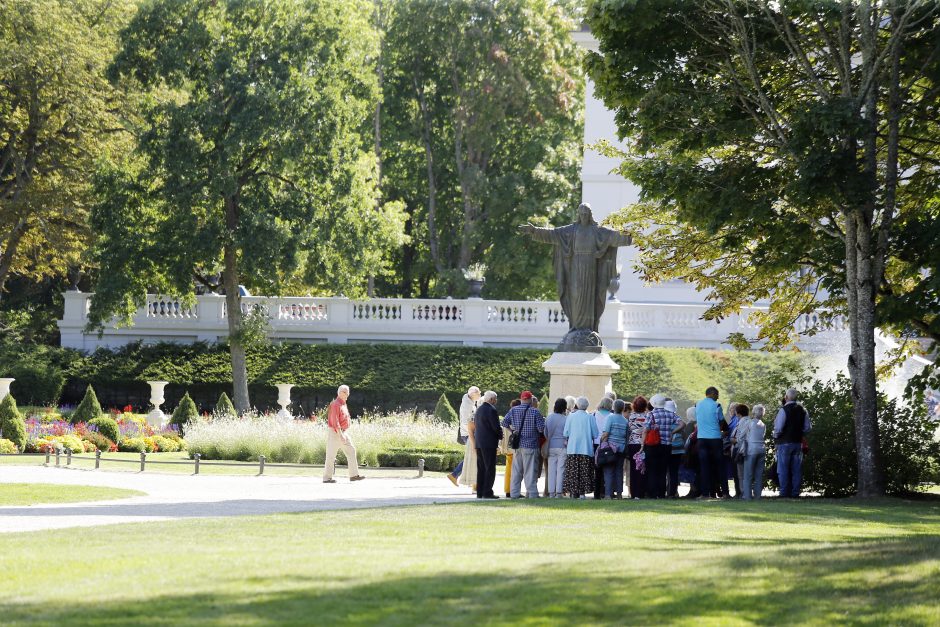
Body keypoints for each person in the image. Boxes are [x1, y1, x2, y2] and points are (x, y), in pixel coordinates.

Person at [502, 391, 545, 498]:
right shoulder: (535, 412)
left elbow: (504, 423)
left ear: (521, 399)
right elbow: (541, 429)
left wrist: (513, 431)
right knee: (530, 471)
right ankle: (532, 494)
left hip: (517, 445)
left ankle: (514, 493)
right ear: (530, 399)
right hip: (531, 445)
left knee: (516, 471)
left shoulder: (513, 410)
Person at [643, 394, 683, 499]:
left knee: (652, 470)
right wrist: (672, 432)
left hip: (653, 446)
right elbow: (682, 424)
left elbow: (646, 430)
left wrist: (642, 444)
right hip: (666, 446)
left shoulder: (651, 414)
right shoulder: (671, 414)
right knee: (663, 470)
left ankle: (652, 493)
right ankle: (661, 493)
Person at [323, 385, 365, 483]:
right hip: (336, 432)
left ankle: (354, 475)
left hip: (343, 432)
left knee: (351, 451)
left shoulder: (343, 404)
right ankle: (327, 478)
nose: (348, 394)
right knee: (331, 455)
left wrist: (343, 433)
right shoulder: (335, 404)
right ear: (340, 393)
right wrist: (340, 434)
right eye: (346, 392)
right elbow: (335, 421)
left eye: (348, 392)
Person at [774, 388, 812, 498]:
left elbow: (778, 428)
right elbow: (807, 428)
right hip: (797, 442)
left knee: (783, 469)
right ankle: (795, 493)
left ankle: (784, 493)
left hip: (784, 443)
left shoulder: (784, 410)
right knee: (796, 469)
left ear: (786, 397)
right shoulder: (803, 410)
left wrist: (775, 436)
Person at [563, 397, 599, 498]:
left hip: (573, 448)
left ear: (577, 405)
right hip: (586, 448)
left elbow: (565, 433)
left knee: (573, 471)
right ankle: (582, 493)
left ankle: (574, 492)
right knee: (585, 471)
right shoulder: (590, 417)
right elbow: (596, 434)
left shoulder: (571, 416)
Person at [695, 387, 724, 498]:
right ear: (711, 394)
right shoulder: (717, 406)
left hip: (702, 439)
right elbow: (721, 421)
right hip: (715, 438)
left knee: (704, 466)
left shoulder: (697, 404)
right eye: (717, 394)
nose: (718, 397)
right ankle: (725, 492)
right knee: (720, 466)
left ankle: (705, 493)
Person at [449, 386, 481, 486]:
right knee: (471, 457)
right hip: (468, 433)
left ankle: (456, 476)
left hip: (468, 432)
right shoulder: (467, 405)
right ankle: (455, 475)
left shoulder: (469, 403)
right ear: (473, 394)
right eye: (478, 393)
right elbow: (466, 422)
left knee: (470, 457)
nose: (480, 395)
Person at [474, 391, 502, 499]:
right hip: (489, 443)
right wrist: (501, 435)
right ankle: (487, 492)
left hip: (479, 442)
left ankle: (480, 492)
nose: (496, 400)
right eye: (495, 398)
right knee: (490, 468)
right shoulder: (491, 410)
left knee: (481, 468)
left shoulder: (479, 409)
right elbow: (495, 427)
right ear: (491, 399)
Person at [736, 404, 766, 500]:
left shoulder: (749, 422)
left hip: (751, 450)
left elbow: (741, 437)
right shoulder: (763, 424)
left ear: (753, 412)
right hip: (762, 449)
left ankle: (747, 496)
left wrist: (741, 448)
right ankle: (757, 496)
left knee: (747, 475)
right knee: (758, 475)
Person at [600, 398, 629, 498]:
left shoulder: (610, 418)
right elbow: (626, 436)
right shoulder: (625, 421)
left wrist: (602, 442)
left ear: (613, 407)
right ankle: (620, 494)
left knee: (608, 471)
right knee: (619, 471)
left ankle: (608, 494)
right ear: (623, 408)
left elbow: (606, 433)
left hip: (610, 449)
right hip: (621, 449)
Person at [544, 398, 569, 498]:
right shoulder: (566, 419)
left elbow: (545, 432)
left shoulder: (549, 417)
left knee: (551, 469)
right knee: (561, 469)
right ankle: (559, 492)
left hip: (551, 446)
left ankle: (551, 492)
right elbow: (567, 433)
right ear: (564, 407)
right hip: (562, 446)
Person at [627, 395, 650, 499]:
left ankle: (634, 493)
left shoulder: (631, 416)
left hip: (633, 444)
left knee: (633, 468)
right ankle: (642, 492)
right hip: (645, 443)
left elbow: (630, 428)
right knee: (643, 468)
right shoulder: (648, 416)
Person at [592, 396, 614, 499]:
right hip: (608, 445)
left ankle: (596, 494)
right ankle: (606, 492)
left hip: (596, 444)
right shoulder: (612, 415)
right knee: (608, 470)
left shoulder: (594, 414)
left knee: (597, 471)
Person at [501, 399, 521, 497]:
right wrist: (513, 431)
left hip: (508, 446)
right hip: (513, 445)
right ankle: (511, 490)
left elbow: (503, 423)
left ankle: (508, 489)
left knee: (509, 468)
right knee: (514, 469)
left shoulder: (509, 414)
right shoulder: (515, 414)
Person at [665, 400, 685, 498]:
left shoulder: (665, 417)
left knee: (666, 471)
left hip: (668, 447)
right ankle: (673, 493)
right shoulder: (677, 417)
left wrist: (671, 432)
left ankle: (667, 492)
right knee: (674, 472)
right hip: (679, 448)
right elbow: (683, 426)